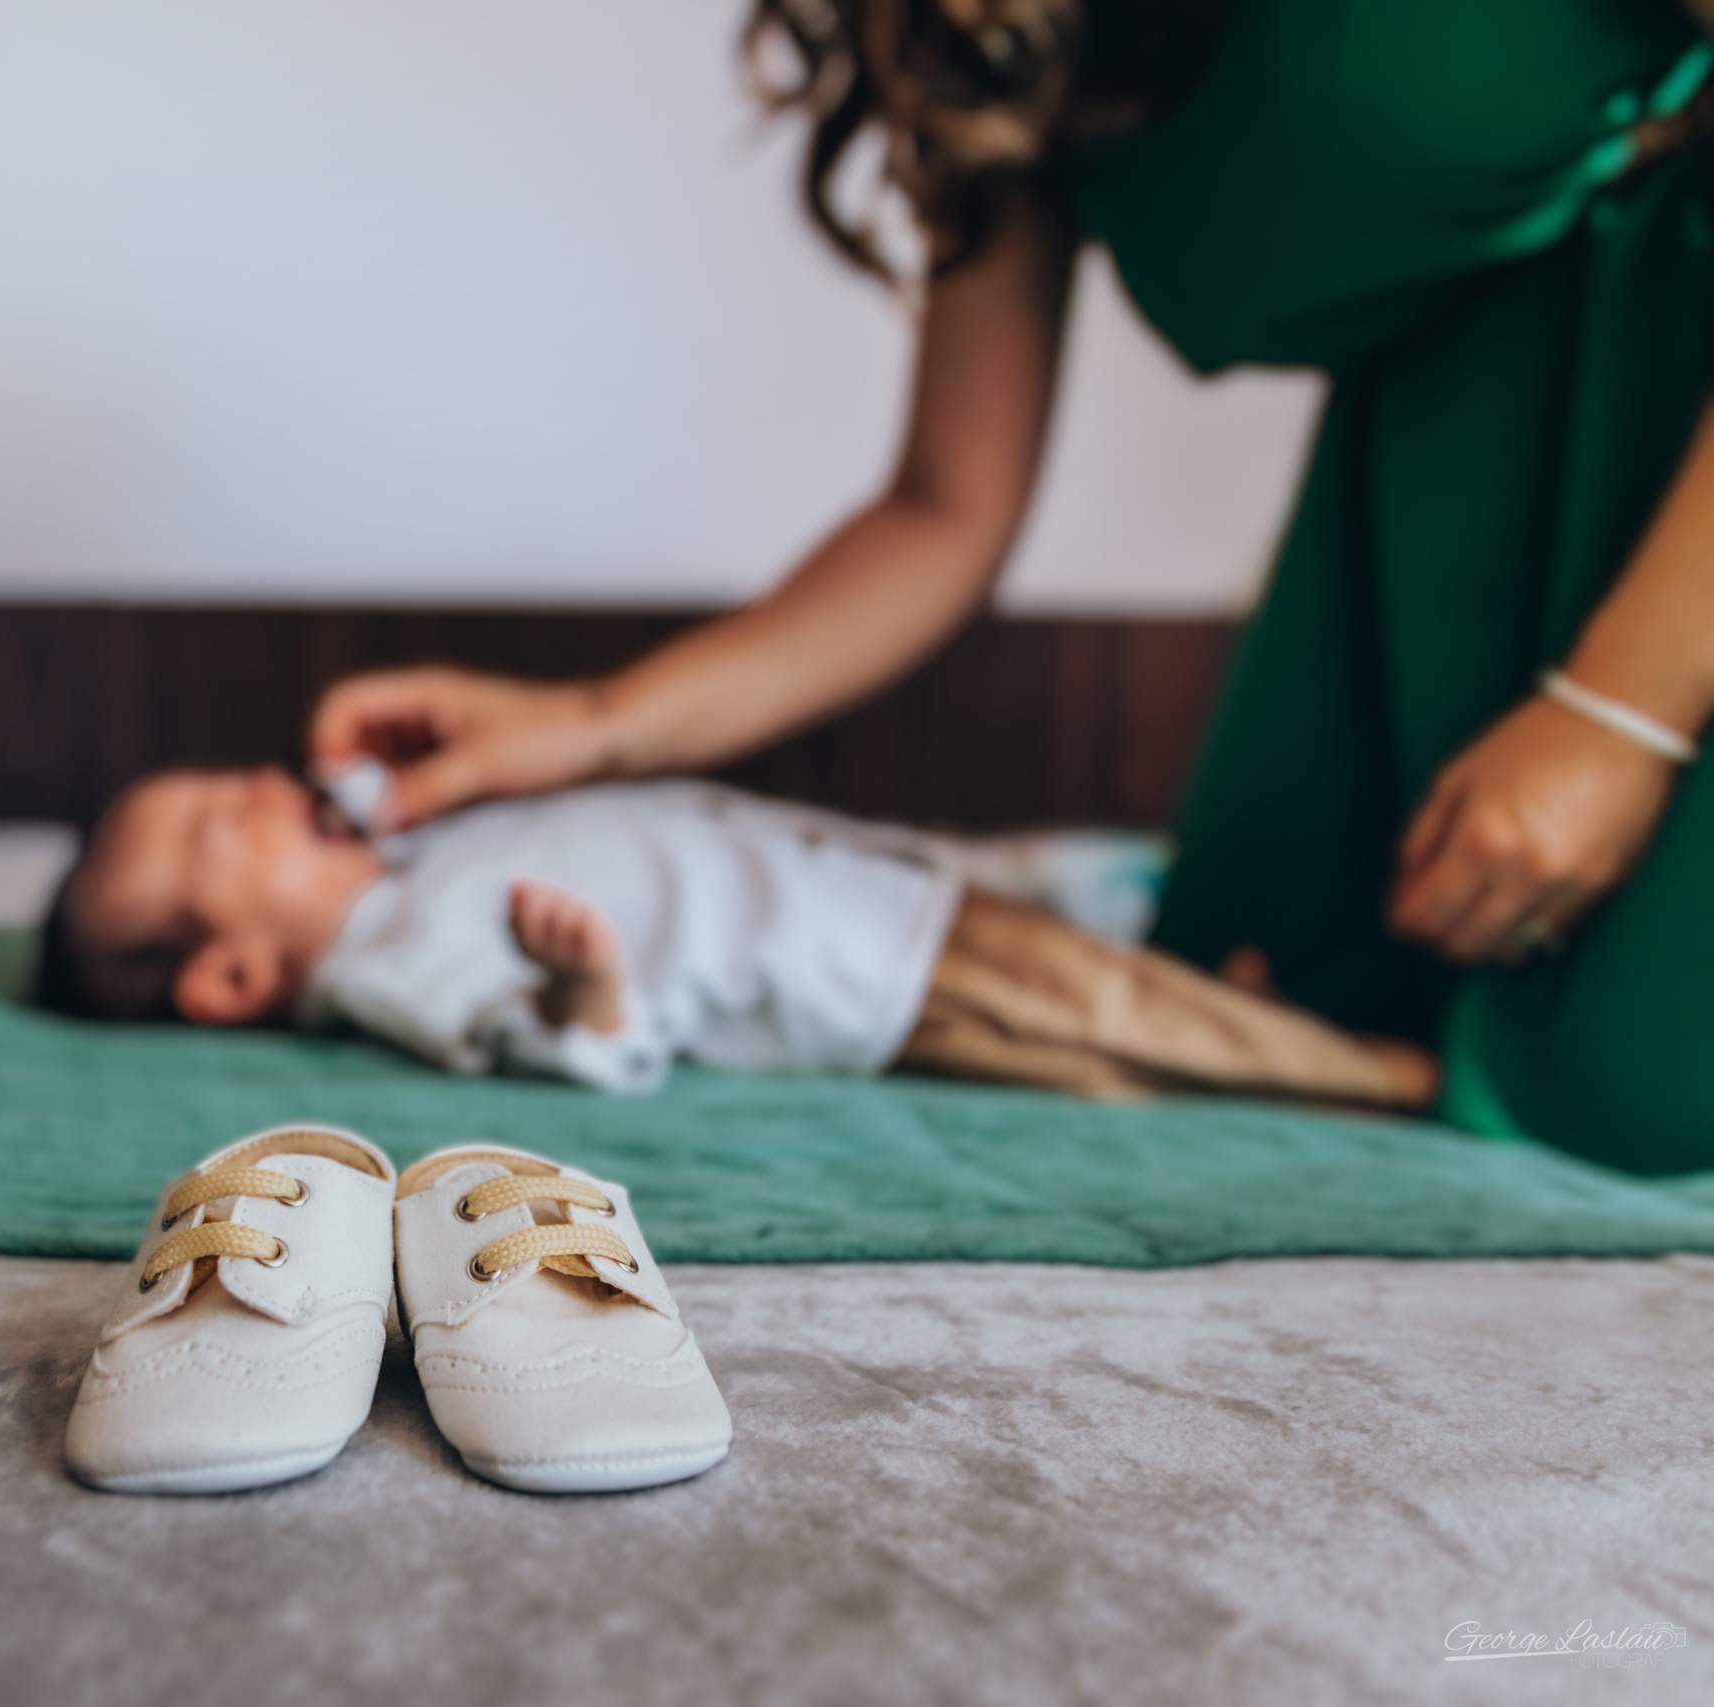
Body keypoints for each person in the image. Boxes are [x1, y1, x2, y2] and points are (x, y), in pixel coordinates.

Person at [308, 0, 1714, 1173]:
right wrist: (588, 721)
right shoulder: (969, 40)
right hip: (1426, 546)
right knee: (1285, 1024)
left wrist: (1623, 711)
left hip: (1679, 516)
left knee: (1629, 1107)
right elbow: (944, 511)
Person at [34, 763, 1436, 1108]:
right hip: (852, 973)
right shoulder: (396, 965)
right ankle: (1372, 1077)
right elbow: (566, 1059)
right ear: (229, 975)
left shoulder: (408, 861)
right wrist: (586, 990)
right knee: (1100, 1026)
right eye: (228, 823)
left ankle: (1253, 992)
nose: (261, 786)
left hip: (855, 892)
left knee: (1108, 957)